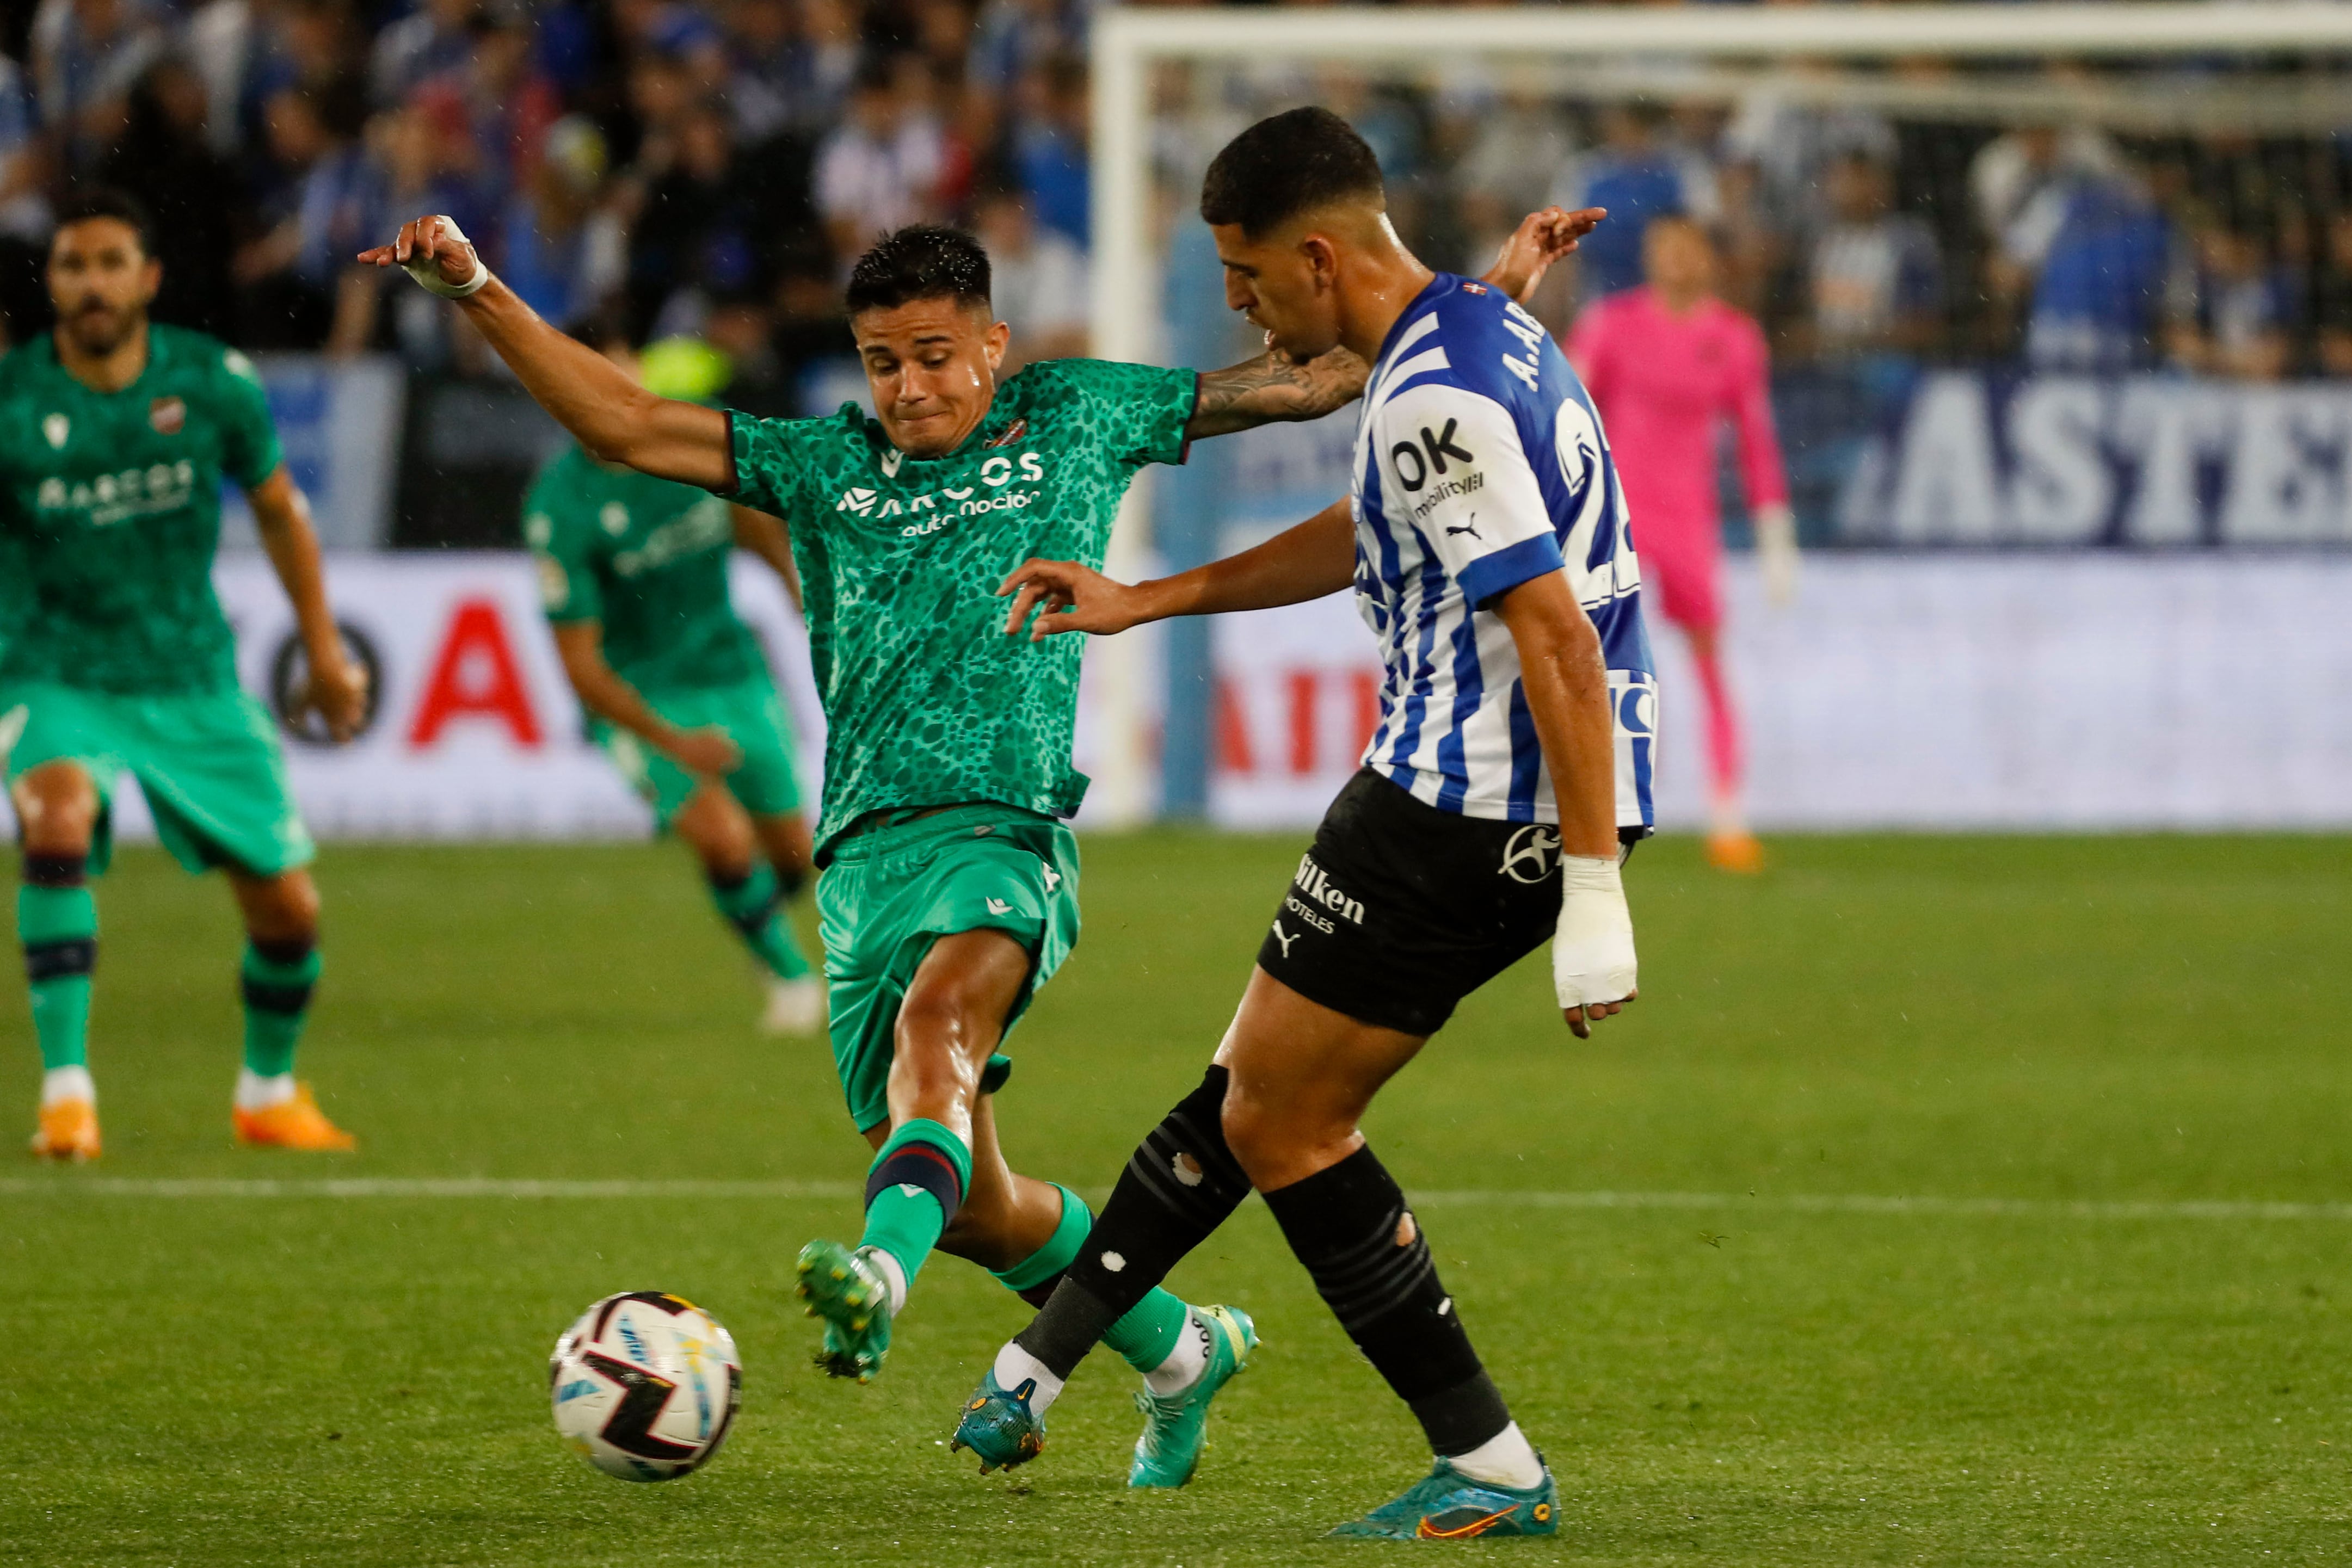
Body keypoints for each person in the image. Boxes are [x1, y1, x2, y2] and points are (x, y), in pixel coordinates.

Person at [362, 196, 1594, 1485]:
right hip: (862, 862)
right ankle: (1179, 1347)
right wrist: (478, 289)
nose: (909, 387)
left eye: (936, 355)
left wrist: (1489, 290)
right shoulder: (819, 463)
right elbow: (620, 423)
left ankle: (875, 1277)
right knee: (983, 1202)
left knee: (937, 1029)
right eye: (884, 362)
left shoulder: (1079, 413)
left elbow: (1321, 373)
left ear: (994, 345)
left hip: (1005, 832)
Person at [953, 107, 1645, 1541]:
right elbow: (1373, 530)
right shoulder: (1476, 334)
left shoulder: (1429, 396)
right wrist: (1149, 595)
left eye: (1247, 272)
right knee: (1258, 1081)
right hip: (1491, 788)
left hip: (1471, 799)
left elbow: (1558, 641)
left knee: (1283, 1113)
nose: (1237, 305)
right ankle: (1042, 1364)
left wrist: (1593, 897)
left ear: (1320, 258)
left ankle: (1491, 1464)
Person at [3, 187, 369, 1162]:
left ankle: (268, 1091)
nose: (92, 282)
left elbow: (282, 513)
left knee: (289, 910)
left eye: (111, 262)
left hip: (191, 677)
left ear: (149, 278)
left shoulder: (211, 384)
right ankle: (68, 1095)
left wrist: (325, 651)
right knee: (57, 816)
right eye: (73, 264)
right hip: (54, 669)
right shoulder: (12, 401)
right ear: (51, 283)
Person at [526, 328, 824, 1034]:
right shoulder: (560, 507)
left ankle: (758, 919)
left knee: (796, 860)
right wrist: (671, 738)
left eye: (616, 367)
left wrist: (795, 587)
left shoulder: (684, 436)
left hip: (731, 670)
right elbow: (580, 667)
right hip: (645, 696)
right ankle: (789, 978)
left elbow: (750, 516)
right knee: (720, 837)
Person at [1569, 215, 1791, 873]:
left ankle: (1726, 811)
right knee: (1594, 660)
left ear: (1707, 259)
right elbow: (1568, 412)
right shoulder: (1610, 324)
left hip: (1688, 523)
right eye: (1663, 250)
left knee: (1705, 658)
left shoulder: (1733, 338)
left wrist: (1773, 529)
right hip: (1615, 518)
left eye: (1687, 251)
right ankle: (1587, 806)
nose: (1674, 262)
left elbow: (1754, 440)